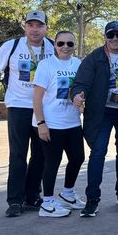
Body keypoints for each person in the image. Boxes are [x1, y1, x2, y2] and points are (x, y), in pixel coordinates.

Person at [0, 9, 55, 217]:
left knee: (41, 154)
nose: (35, 29)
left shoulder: (52, 47)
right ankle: (15, 200)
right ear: (25, 27)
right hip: (19, 106)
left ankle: (32, 194)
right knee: (18, 155)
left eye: (39, 25)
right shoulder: (11, 46)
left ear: (46, 28)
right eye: (31, 25)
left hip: (43, 108)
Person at [69, 21, 118, 217]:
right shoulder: (95, 57)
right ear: (105, 37)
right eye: (111, 35)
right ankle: (92, 199)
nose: (115, 39)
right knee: (98, 152)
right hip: (102, 112)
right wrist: (77, 95)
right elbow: (80, 83)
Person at [32, 31, 85, 218]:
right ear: (54, 45)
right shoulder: (46, 65)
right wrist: (41, 123)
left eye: (69, 44)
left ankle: (68, 193)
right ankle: (46, 203)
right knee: (52, 162)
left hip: (72, 122)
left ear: (74, 45)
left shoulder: (78, 64)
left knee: (78, 158)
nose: (65, 47)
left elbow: (81, 89)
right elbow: (37, 97)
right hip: (51, 123)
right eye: (61, 43)